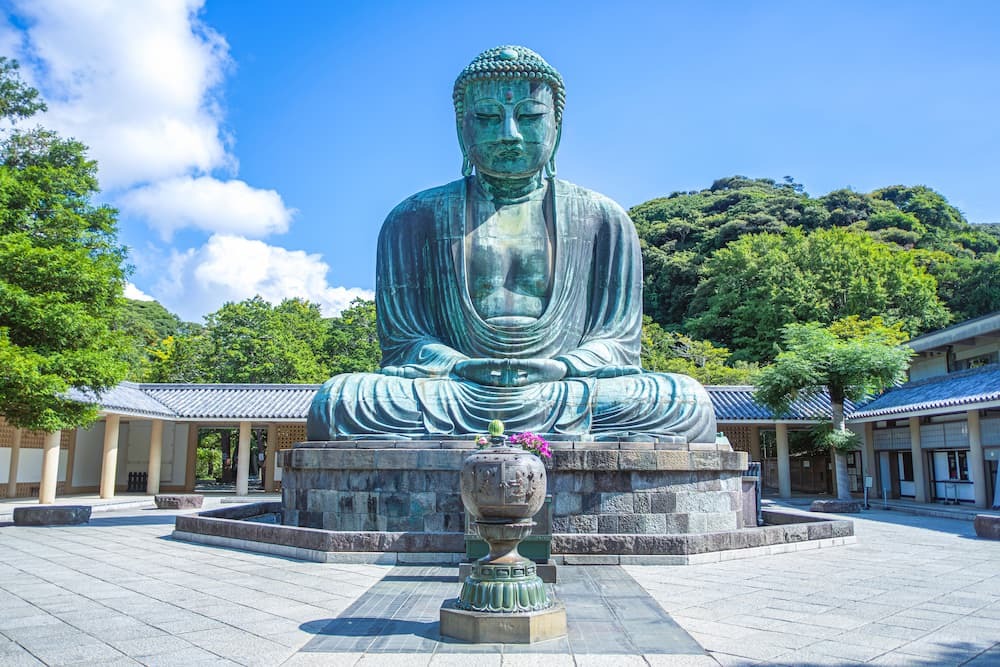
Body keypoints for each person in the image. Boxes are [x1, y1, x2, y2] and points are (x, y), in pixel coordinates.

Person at [307, 45, 716, 443]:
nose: (509, 134)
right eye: (486, 116)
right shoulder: (413, 218)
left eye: (529, 115)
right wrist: (461, 366)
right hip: (455, 390)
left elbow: (618, 345)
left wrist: (559, 368)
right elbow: (405, 343)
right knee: (341, 400)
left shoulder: (603, 219)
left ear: (557, 125)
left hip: (564, 390)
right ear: (460, 126)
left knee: (683, 400)